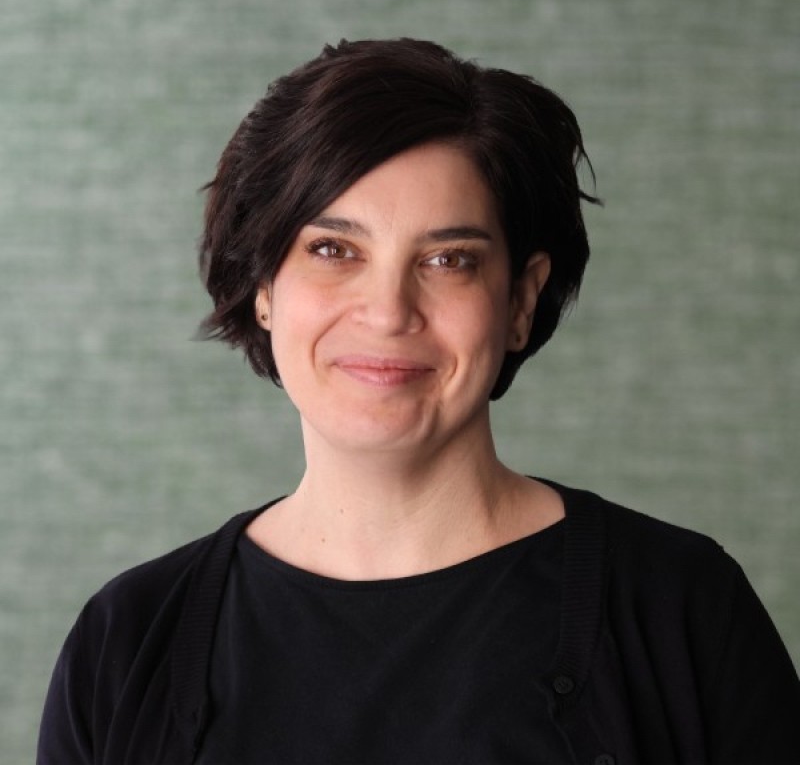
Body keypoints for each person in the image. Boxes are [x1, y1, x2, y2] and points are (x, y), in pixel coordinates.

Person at [38, 38, 800, 765]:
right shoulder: (128, 639)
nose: (388, 312)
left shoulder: (681, 609)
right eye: (333, 250)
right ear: (264, 286)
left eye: (447, 260)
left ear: (521, 301)